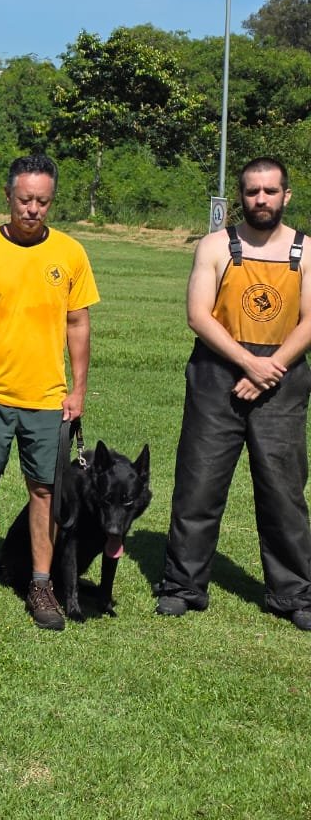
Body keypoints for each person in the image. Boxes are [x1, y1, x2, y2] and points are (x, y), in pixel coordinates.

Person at [156, 157, 311, 630]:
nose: (261, 199)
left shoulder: (305, 250)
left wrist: (269, 368)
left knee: (283, 491)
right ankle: (183, 585)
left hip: (282, 378)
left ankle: (294, 593)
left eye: (270, 191)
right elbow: (198, 316)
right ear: (240, 196)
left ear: (286, 195)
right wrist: (248, 363)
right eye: (252, 191)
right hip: (217, 375)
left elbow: (310, 321)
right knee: (198, 485)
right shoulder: (215, 246)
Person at [0, 153, 98, 631]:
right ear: (8, 196)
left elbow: (78, 324)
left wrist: (78, 390)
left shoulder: (70, 253)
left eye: (43, 201)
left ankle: (41, 583)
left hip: (47, 398)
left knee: (45, 491)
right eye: (25, 199)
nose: (33, 209)